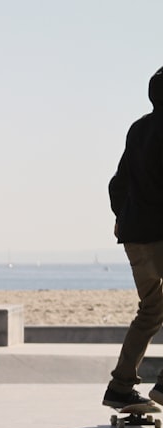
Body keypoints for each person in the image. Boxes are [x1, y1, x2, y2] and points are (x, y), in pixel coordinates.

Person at [104, 66, 163, 410]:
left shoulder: (138, 129)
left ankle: (121, 387)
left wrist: (120, 218)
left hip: (135, 236)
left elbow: (117, 184)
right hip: (159, 232)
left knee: (152, 311)